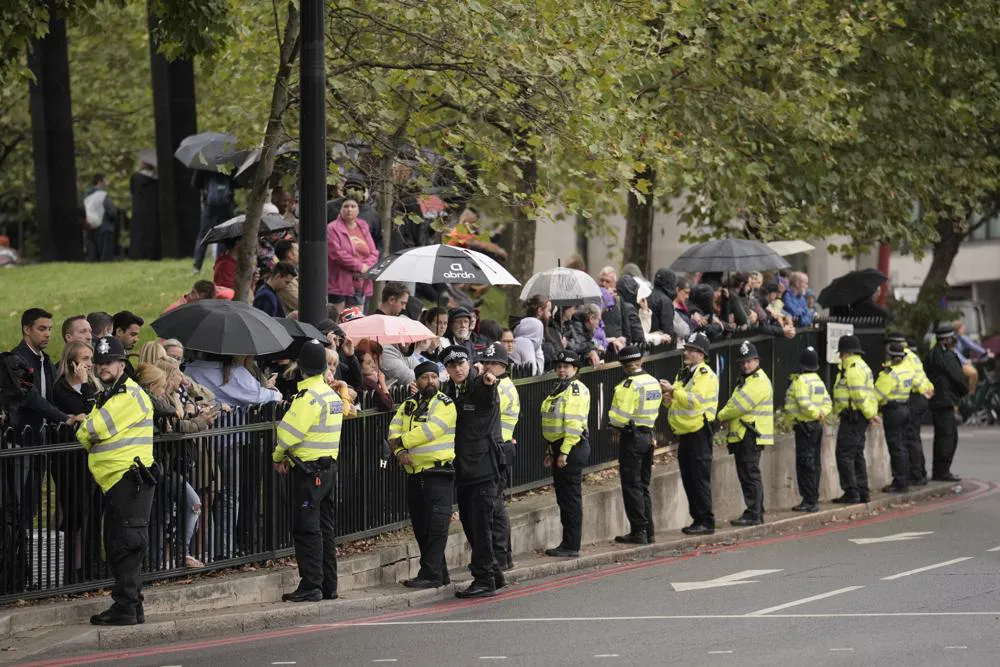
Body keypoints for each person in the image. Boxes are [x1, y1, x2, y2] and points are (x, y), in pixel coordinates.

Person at [76, 336, 156, 625]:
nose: (102, 367)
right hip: (119, 482)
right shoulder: (109, 395)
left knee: (126, 544)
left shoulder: (127, 396)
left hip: (128, 480)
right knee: (121, 543)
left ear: (122, 364)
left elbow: (91, 430)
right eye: (98, 363)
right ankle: (132, 606)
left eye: (108, 362)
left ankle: (126, 607)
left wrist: (86, 428)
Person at [271, 342, 342, 602]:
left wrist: (278, 457)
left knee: (306, 529)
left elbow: (288, 435)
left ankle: (311, 584)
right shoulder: (331, 396)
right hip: (328, 471)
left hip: (308, 472)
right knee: (325, 528)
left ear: (301, 369)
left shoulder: (308, 398)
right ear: (323, 368)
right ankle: (328, 585)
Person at [440, 346, 506, 598]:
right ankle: (494, 573)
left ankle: (484, 579)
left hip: (483, 467)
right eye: (452, 365)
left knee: (480, 526)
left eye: (461, 364)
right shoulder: (448, 390)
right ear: (447, 369)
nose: (458, 369)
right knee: (471, 524)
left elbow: (487, 394)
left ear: (469, 364)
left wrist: (489, 383)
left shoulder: (480, 384)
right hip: (464, 469)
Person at [388, 361, 457, 588]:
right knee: (422, 527)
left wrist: (402, 443)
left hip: (438, 472)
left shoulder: (445, 404)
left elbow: (431, 430)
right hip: (414, 474)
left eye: (434, 377)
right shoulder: (407, 405)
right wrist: (399, 451)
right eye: (425, 377)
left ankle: (430, 574)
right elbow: (393, 430)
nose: (430, 381)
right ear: (416, 381)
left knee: (437, 528)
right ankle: (440, 573)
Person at [660, 332, 718, 535]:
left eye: (691, 350)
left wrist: (674, 392)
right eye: (687, 349)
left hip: (699, 432)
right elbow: (676, 399)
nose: (687, 352)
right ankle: (697, 519)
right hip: (684, 431)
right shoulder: (684, 373)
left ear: (701, 354)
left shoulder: (705, 375)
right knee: (688, 476)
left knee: (699, 477)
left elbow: (695, 400)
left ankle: (706, 520)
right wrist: (667, 397)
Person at [607, 345, 661, 544]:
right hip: (648, 435)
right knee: (643, 485)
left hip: (632, 437)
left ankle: (639, 530)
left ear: (623, 365)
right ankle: (649, 530)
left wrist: (613, 424)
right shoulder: (652, 381)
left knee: (631, 484)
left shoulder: (629, 385)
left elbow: (620, 417)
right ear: (640, 361)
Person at [540, 350, 591, 558]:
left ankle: (571, 545)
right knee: (564, 497)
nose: (561, 370)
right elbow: (552, 422)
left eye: (566, 367)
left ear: (575, 369)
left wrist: (564, 452)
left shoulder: (575, 389)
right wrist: (550, 450)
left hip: (572, 446)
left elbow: (572, 425)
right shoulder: (559, 388)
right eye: (559, 366)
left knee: (570, 498)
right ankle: (567, 542)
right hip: (559, 447)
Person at [716, 341, 773, 526]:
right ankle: (756, 510)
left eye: (749, 361)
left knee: (750, 474)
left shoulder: (758, 382)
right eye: (743, 362)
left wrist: (722, 415)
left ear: (757, 361)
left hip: (750, 434)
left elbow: (739, 405)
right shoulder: (746, 380)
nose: (746, 365)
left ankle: (754, 513)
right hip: (744, 434)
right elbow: (735, 403)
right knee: (748, 474)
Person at [481, 343, 518, 571]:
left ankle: (501, 557)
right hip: (498, 448)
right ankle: (502, 556)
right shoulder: (500, 384)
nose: (486, 367)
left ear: (502, 365)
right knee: (495, 504)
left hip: (499, 449)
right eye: (485, 362)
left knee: (495, 505)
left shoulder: (502, 388)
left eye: (491, 363)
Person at [12, 308, 77, 434]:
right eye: (42, 329)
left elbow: (59, 392)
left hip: (45, 438)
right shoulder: (16, 360)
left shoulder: (45, 360)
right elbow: (32, 398)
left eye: (49, 329)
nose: (47, 334)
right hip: (21, 440)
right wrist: (65, 418)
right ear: (27, 330)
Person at [782, 346, 831, 512]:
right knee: (814, 463)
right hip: (816, 426)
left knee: (805, 464)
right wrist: (821, 413)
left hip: (804, 427)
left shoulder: (800, 382)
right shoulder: (818, 381)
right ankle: (813, 497)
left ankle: (809, 501)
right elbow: (828, 403)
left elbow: (803, 403)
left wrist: (815, 413)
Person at [832, 335, 879, 503]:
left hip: (853, 417)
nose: (840, 357)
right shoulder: (861, 366)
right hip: (857, 416)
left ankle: (852, 492)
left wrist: (869, 414)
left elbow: (858, 395)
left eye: (841, 353)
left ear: (847, 353)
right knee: (856, 454)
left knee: (844, 454)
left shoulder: (853, 369)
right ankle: (861, 491)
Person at [886, 332, 934, 486]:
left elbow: (906, 378)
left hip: (913, 397)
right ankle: (919, 473)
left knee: (910, 439)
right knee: (914, 438)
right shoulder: (911, 355)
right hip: (920, 396)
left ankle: (915, 475)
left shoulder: (903, 357)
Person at [923, 324, 968, 482]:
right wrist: (964, 391)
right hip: (946, 400)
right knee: (948, 437)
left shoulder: (930, 355)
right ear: (947, 340)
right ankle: (942, 472)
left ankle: (939, 470)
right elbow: (957, 377)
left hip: (936, 401)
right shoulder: (947, 356)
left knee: (942, 436)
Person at [875, 342, 916, 493]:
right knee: (903, 446)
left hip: (893, 411)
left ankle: (899, 482)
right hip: (905, 408)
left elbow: (877, 395)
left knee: (896, 447)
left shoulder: (889, 373)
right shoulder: (907, 370)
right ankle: (904, 479)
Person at [327, 198, 379, 310]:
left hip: (359, 281)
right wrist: (359, 267)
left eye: (353, 206)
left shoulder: (363, 226)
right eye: (346, 206)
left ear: (358, 210)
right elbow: (337, 254)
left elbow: (373, 252)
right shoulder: (332, 228)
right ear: (340, 209)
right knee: (337, 319)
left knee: (356, 320)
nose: (349, 209)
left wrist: (365, 267)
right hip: (339, 282)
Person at [326, 173, 383, 255]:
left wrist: (373, 262)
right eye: (350, 188)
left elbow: (377, 242)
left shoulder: (372, 214)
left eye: (357, 189)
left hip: (363, 261)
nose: (353, 192)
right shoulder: (330, 208)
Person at [193, 172, 235, 274]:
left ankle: (197, 267)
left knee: (203, 236)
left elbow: (195, 183)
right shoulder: (229, 162)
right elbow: (236, 182)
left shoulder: (204, 164)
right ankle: (218, 264)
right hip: (226, 206)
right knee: (223, 236)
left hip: (209, 205)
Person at [129, 157, 160, 260]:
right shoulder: (156, 181)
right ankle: (152, 255)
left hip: (138, 210)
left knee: (139, 234)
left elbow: (132, 192)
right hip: (153, 210)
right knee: (152, 233)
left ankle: (138, 255)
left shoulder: (135, 178)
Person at [83, 174, 119, 262]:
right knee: (105, 258)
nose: (107, 183)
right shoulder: (102, 195)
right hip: (105, 228)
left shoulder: (86, 196)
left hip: (90, 228)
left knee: (93, 257)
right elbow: (112, 212)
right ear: (100, 182)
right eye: (105, 181)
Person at [112, 311, 144, 381]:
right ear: (119, 332)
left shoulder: (122, 354)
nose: (136, 339)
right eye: (133, 335)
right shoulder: (112, 358)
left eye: (137, 335)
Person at [648, 268, 677, 344]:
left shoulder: (647, 296)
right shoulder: (665, 301)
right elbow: (667, 329)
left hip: (648, 341)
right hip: (660, 345)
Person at [274, 239, 300, 314]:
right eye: (298, 251)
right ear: (290, 255)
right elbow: (302, 304)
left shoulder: (291, 273)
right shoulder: (285, 278)